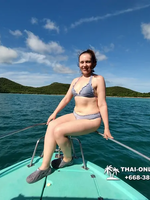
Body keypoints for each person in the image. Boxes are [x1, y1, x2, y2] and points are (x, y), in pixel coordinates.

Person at [26, 49, 113, 184]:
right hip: (76, 115)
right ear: (79, 64)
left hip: (91, 119)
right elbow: (66, 99)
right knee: (52, 126)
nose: (85, 65)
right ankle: (44, 167)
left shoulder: (98, 79)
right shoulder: (75, 80)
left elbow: (102, 104)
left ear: (94, 63)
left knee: (59, 131)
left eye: (88, 62)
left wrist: (106, 128)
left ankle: (68, 159)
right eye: (82, 62)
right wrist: (54, 113)